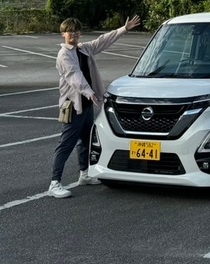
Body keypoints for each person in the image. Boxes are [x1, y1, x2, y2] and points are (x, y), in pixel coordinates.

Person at [48, 14, 142, 198]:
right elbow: (74, 76)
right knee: (66, 143)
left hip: (87, 104)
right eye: (69, 32)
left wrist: (124, 29)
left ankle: (84, 174)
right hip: (74, 105)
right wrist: (90, 92)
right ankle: (54, 182)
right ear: (63, 34)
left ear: (80, 33)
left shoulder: (83, 49)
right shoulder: (64, 54)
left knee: (86, 140)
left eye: (76, 31)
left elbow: (103, 41)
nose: (73, 35)